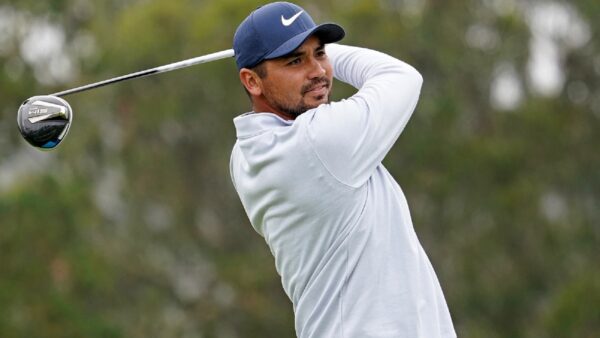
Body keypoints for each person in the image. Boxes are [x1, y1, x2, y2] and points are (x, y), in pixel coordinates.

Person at [230, 2, 456, 337]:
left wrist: (300, 49)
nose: (318, 71)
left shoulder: (244, 154)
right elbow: (402, 76)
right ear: (251, 81)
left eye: (319, 54)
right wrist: (330, 51)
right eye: (294, 60)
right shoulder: (320, 142)